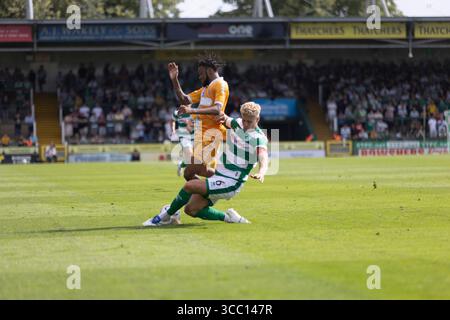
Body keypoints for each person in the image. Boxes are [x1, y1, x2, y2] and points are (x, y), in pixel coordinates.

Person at [142, 102, 268, 227]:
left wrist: (262, 171)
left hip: (231, 182)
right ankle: (230, 218)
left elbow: (263, 155)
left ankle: (163, 218)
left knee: (190, 186)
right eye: (244, 120)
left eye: (249, 122)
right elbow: (224, 118)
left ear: (257, 119)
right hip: (218, 174)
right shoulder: (238, 123)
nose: (246, 124)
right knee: (191, 209)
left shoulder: (258, 138)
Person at [167, 52, 229, 181]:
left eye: (201, 73)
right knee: (193, 172)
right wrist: (174, 79)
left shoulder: (220, 84)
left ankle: (225, 181)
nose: (199, 77)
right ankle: (221, 182)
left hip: (211, 135)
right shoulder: (205, 90)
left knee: (189, 172)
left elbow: (218, 109)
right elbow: (184, 99)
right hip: (200, 135)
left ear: (210, 71)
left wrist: (191, 111)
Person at [171, 106, 194, 177]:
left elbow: (190, 129)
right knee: (190, 155)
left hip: (194, 137)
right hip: (183, 137)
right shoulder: (176, 113)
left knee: (193, 158)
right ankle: (192, 175)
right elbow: (173, 121)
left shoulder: (194, 113)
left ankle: (180, 165)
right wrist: (173, 130)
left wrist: (187, 123)